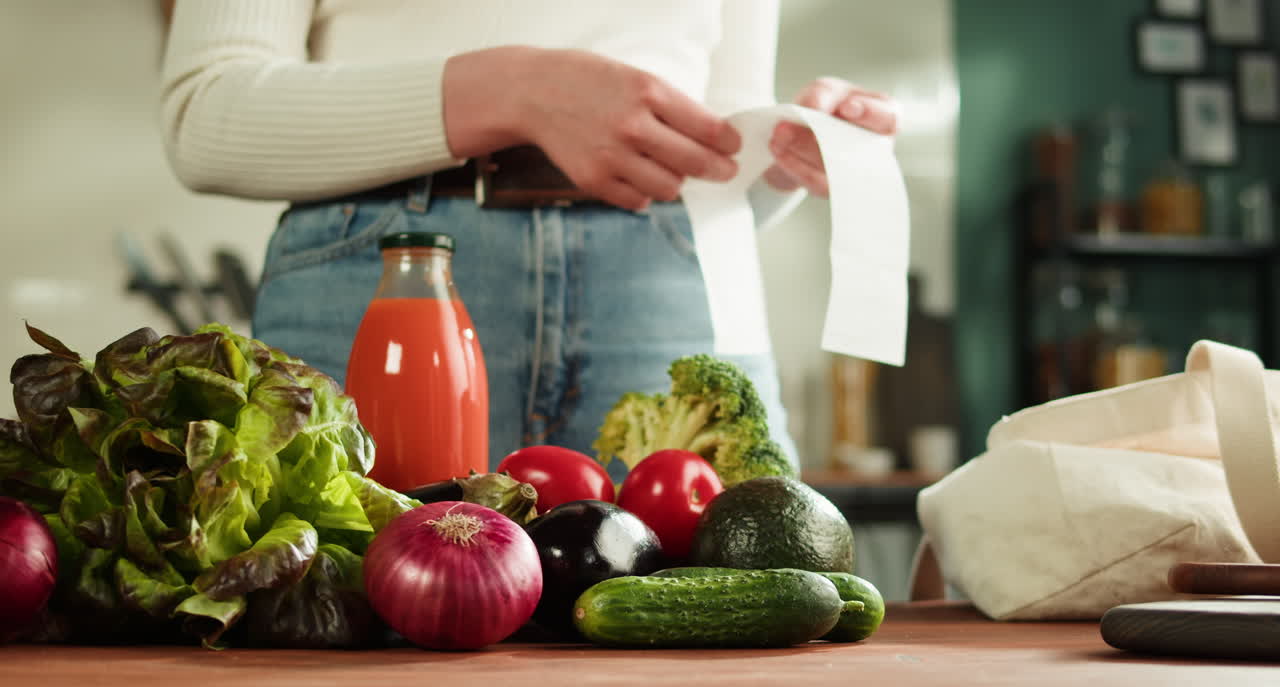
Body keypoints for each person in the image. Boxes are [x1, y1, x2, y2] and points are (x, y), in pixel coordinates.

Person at [159, 1, 899, 478]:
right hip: (389, 273)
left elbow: (714, 163)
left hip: (667, 288)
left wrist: (777, 158)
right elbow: (204, 114)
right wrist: (514, 91)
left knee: (721, 660)